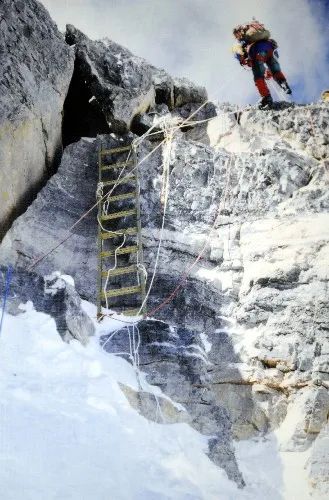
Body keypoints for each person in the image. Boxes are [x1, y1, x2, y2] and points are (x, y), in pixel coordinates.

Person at [233, 22, 292, 109]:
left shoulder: (240, 41)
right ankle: (283, 83)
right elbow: (275, 55)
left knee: (258, 77)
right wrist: (268, 71)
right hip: (269, 49)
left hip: (257, 52)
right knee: (275, 70)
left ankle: (266, 99)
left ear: (238, 32)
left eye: (236, 35)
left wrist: (244, 62)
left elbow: (239, 54)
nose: (236, 37)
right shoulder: (256, 32)